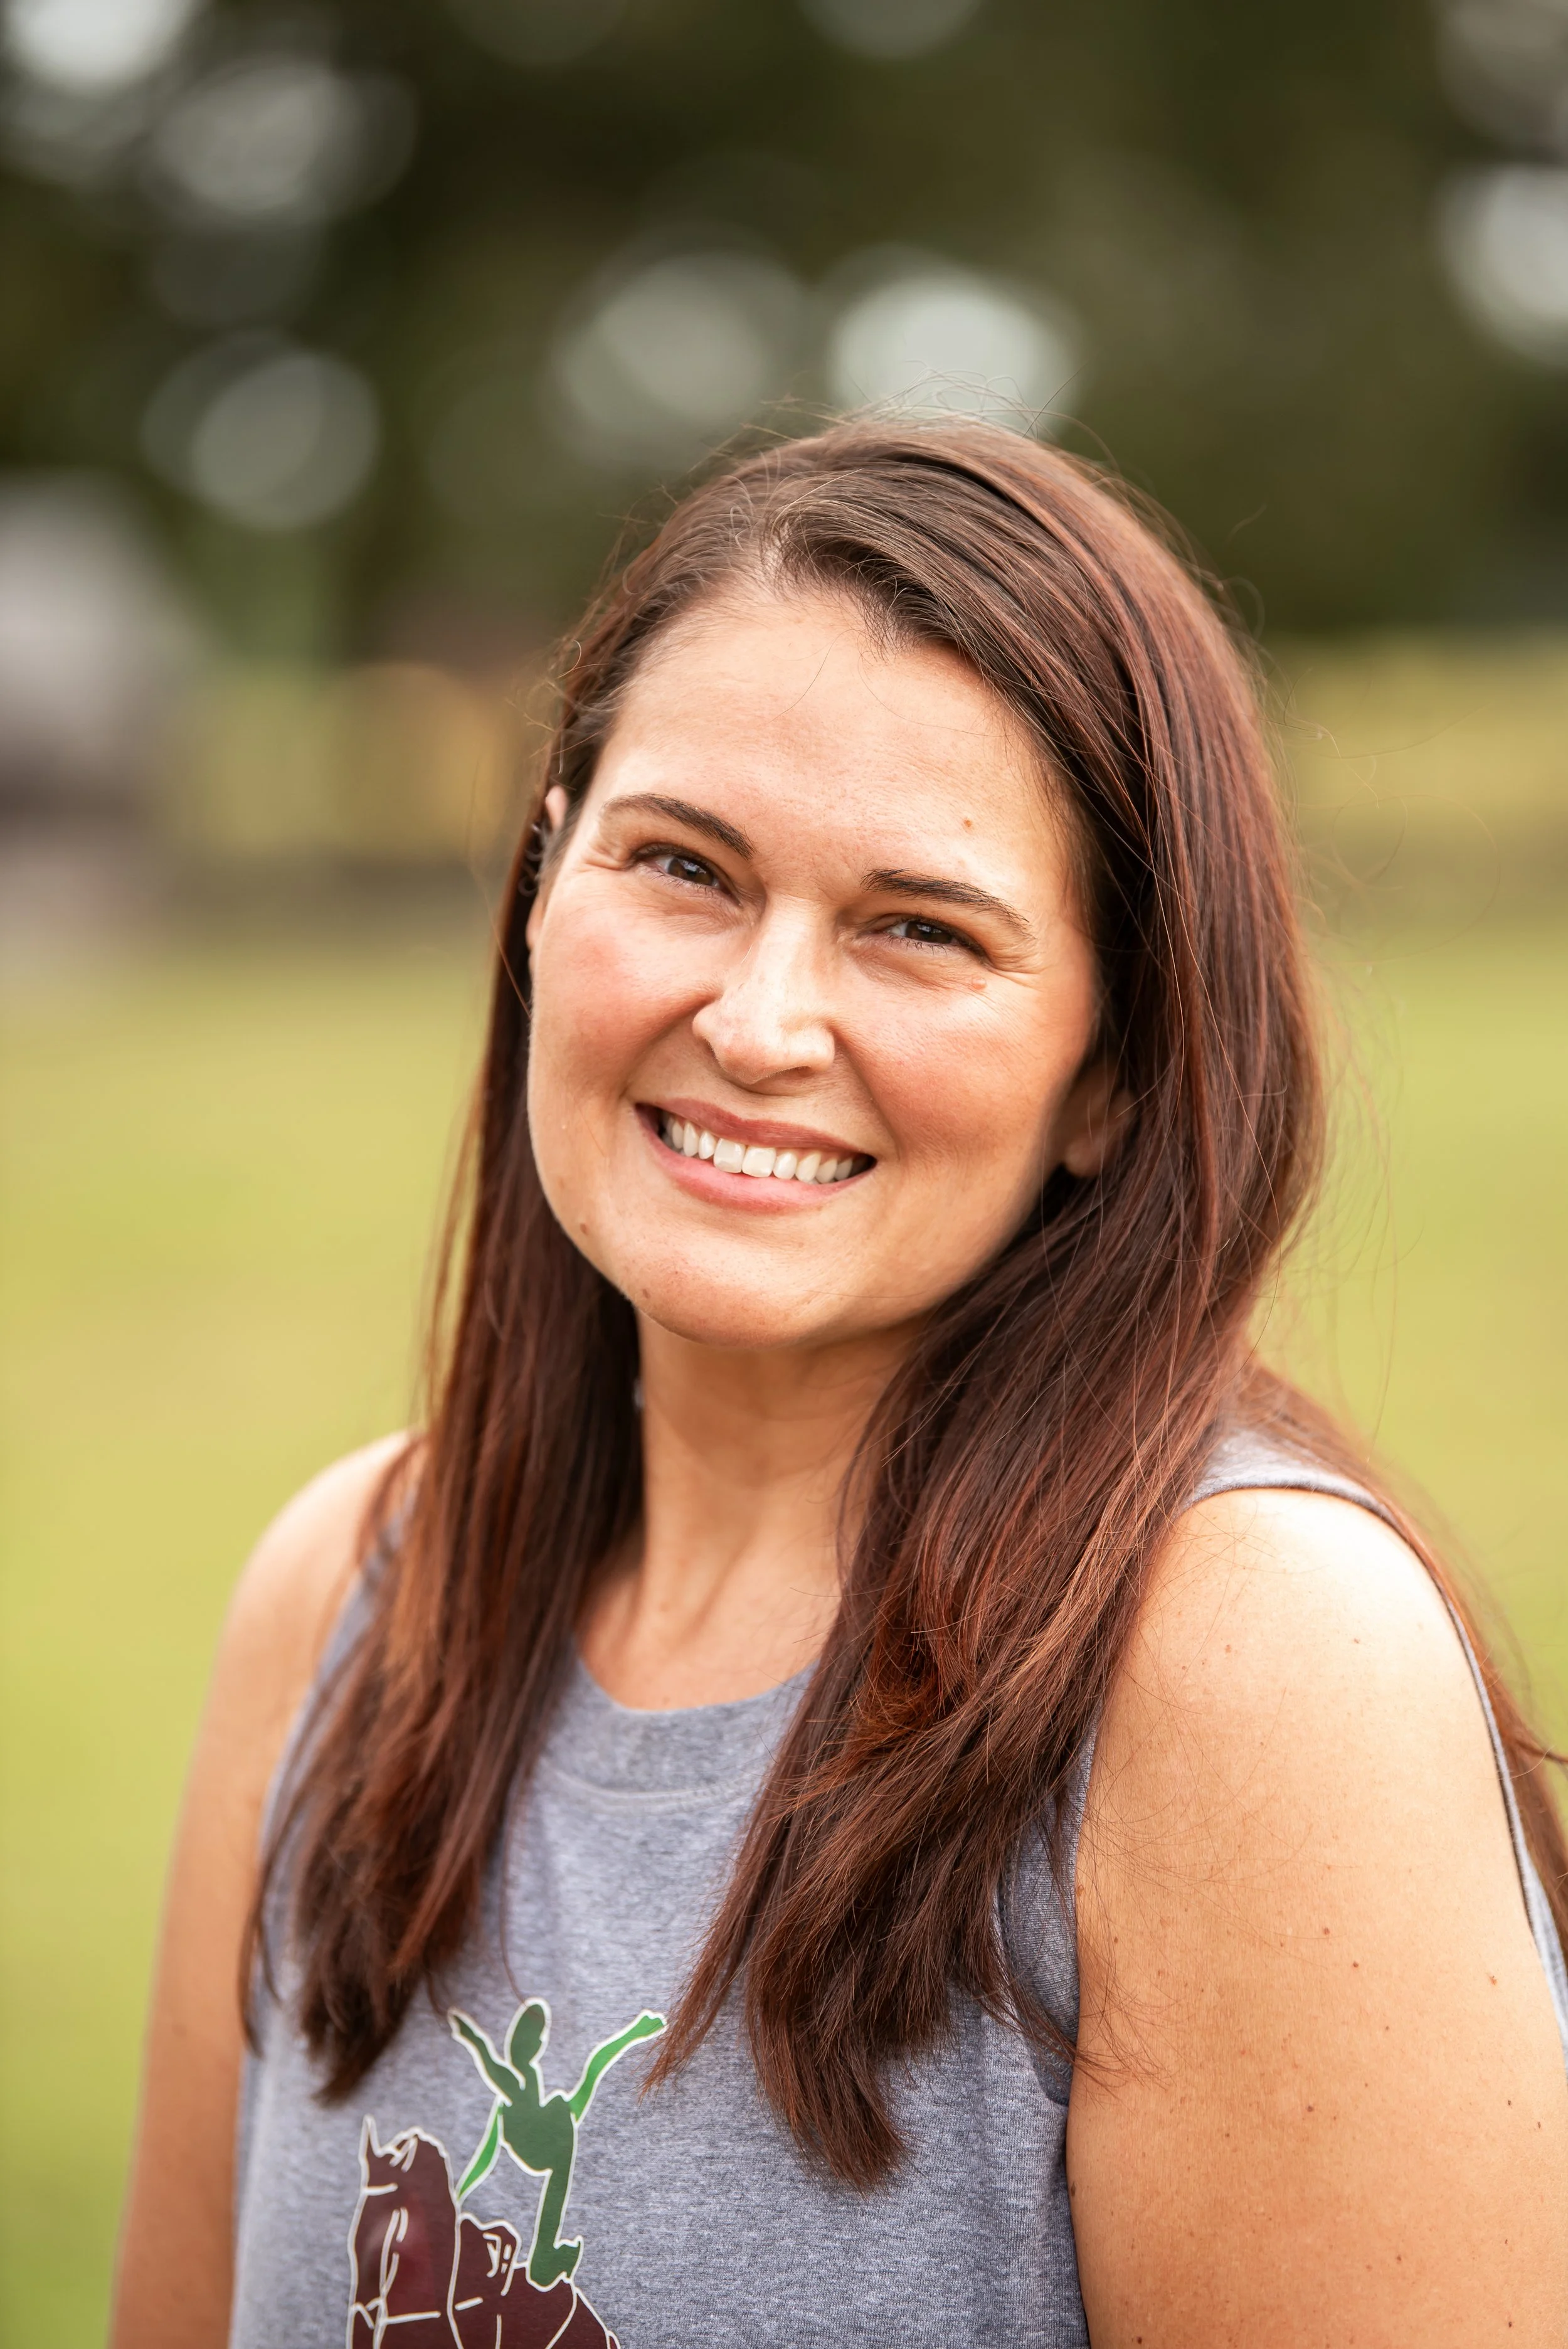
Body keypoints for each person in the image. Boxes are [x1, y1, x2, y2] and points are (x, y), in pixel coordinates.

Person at [111, 421, 1568, 2349]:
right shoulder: (352, 1591)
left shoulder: (1243, 1670)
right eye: (683, 868)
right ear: (543, 885)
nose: (757, 1020)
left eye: (917, 928)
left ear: (1114, 1069)